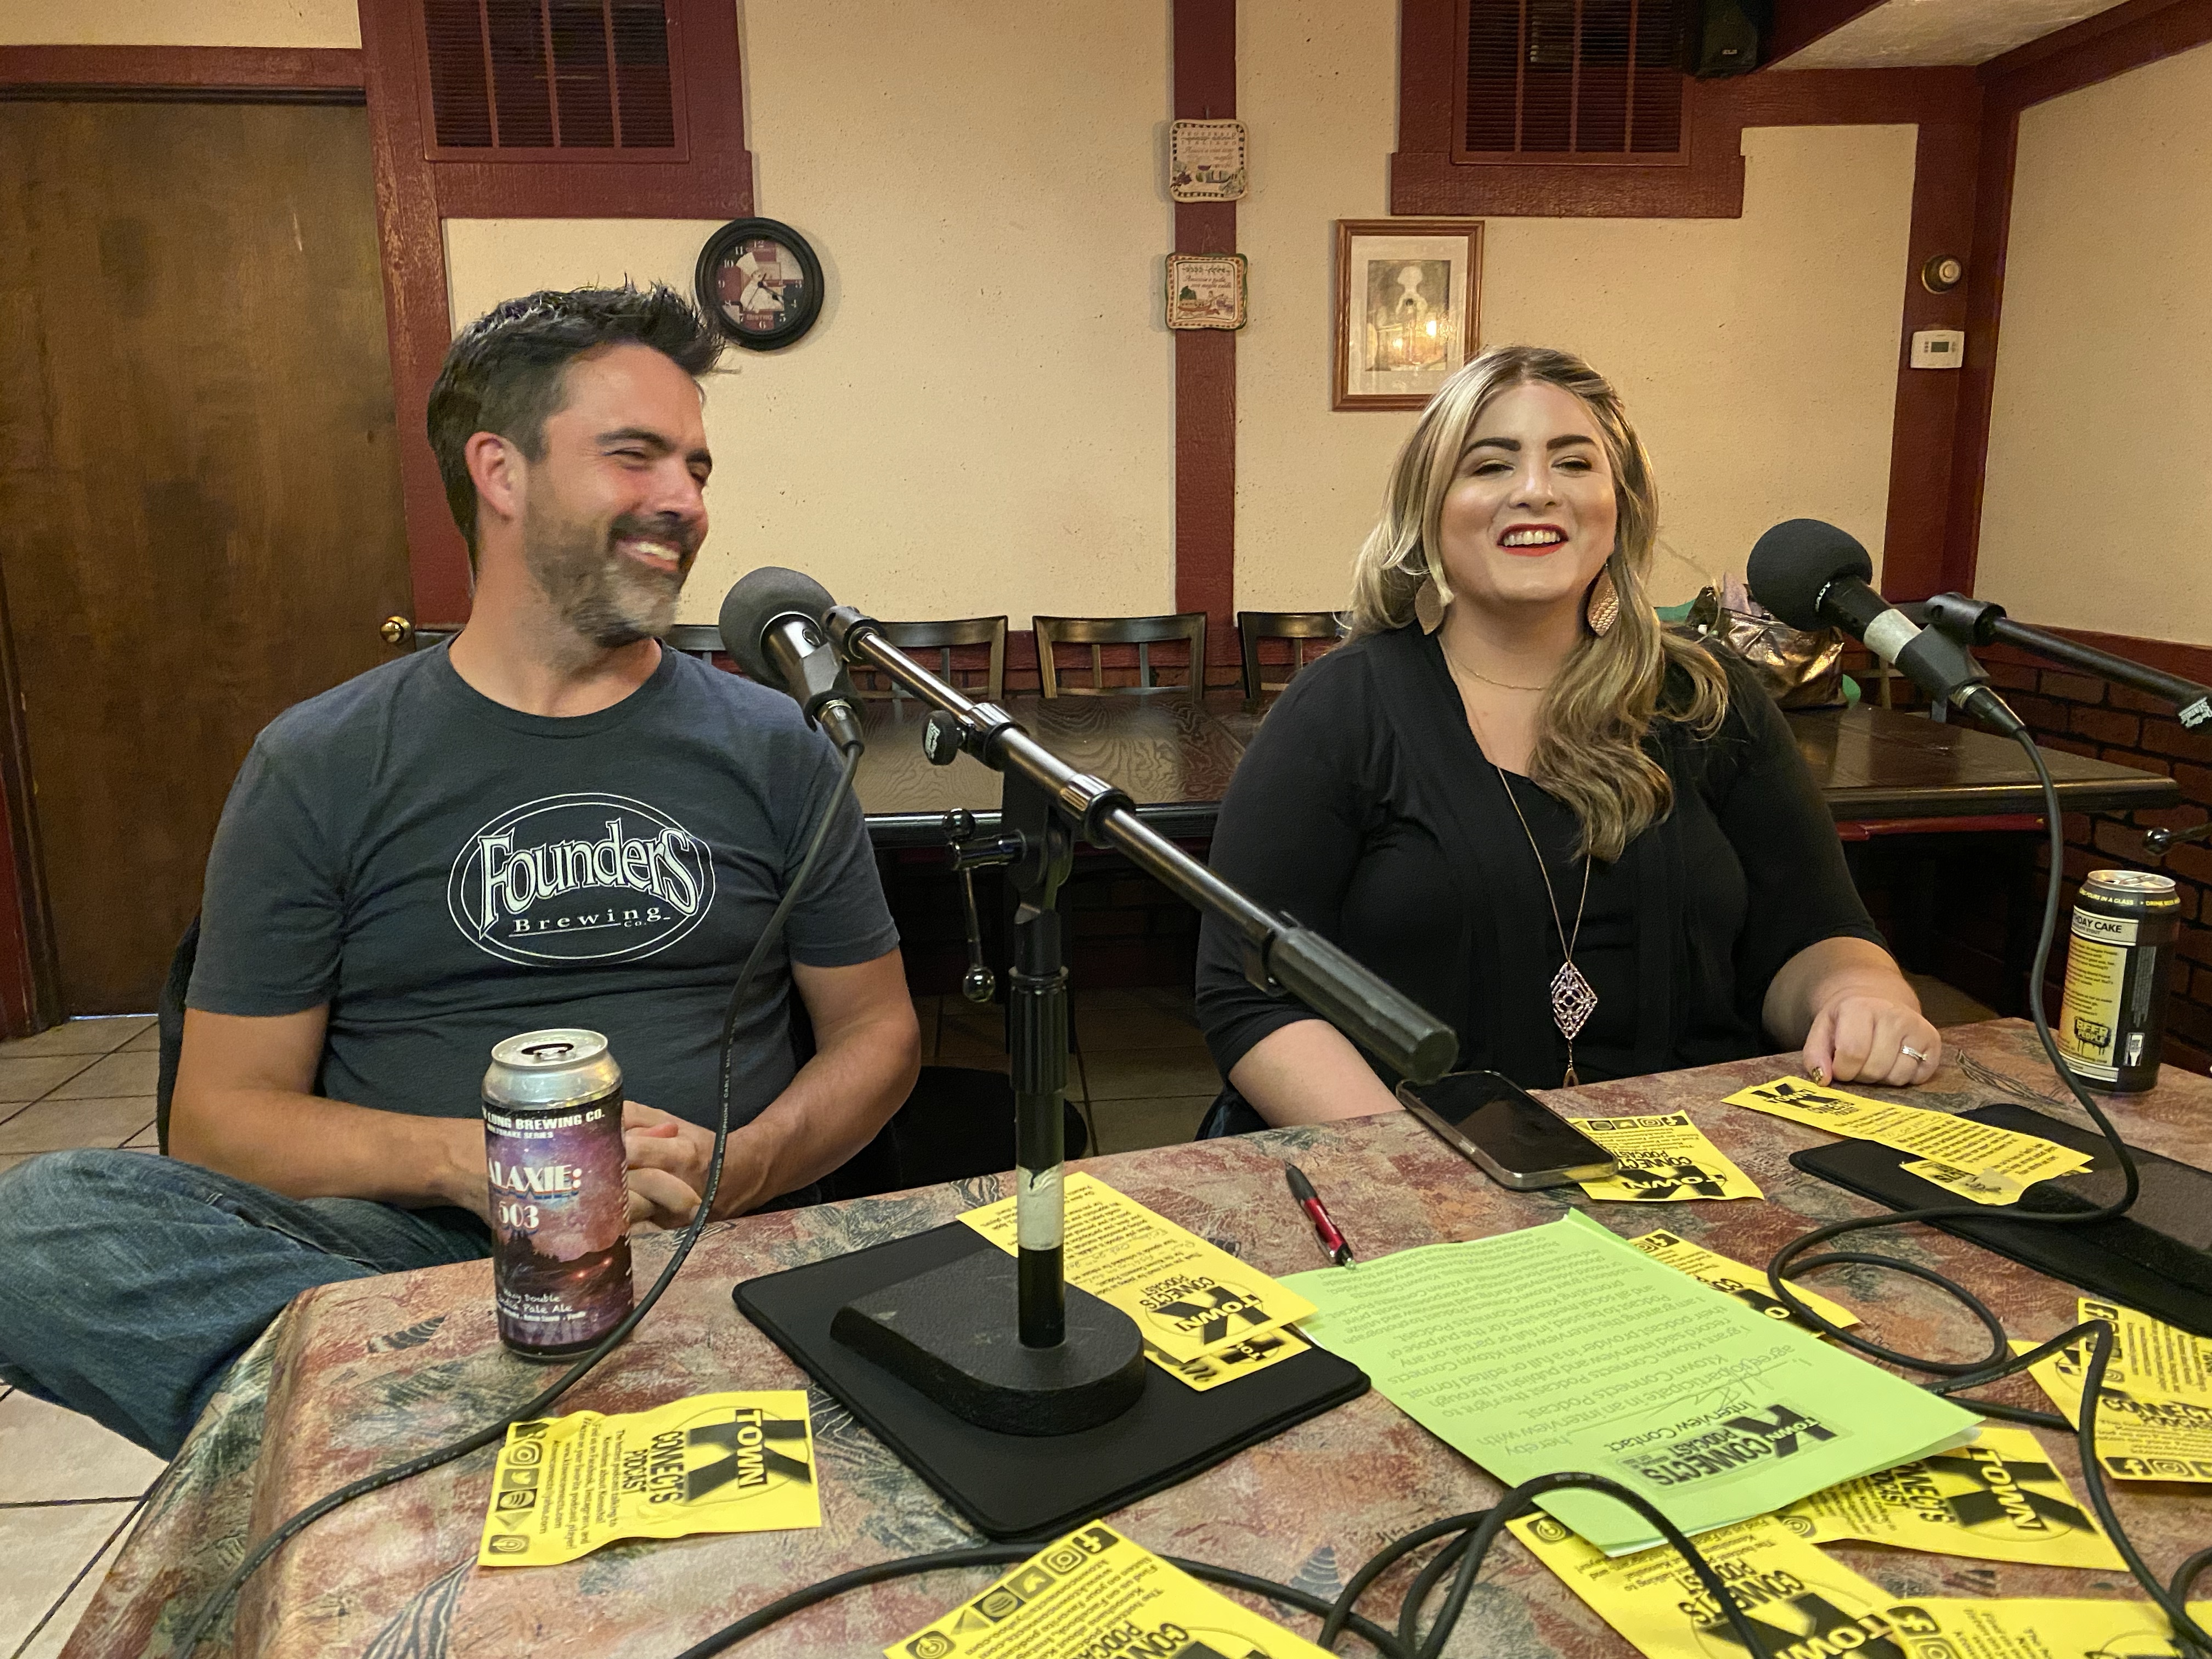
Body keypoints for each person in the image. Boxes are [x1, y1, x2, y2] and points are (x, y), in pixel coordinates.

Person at [0, 285, 921, 1456]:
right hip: (418, 1259)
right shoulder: (322, 762)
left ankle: (417, 1436)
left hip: (709, 1240)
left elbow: (877, 1032)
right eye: (635, 456)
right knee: (37, 1230)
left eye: (695, 466)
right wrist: (482, 1169)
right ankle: (513, 1417)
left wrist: (747, 1168)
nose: (686, 500)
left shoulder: (773, 745)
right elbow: (222, 1121)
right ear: (500, 472)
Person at [1195, 344, 1938, 1131]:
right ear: (1428, 510)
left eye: (1574, 463)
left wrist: (1859, 998)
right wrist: (1412, 1162)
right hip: (1427, 1158)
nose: (1537, 491)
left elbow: (1815, 936)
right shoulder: (1341, 709)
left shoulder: (1708, 699)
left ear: (1620, 504)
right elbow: (1250, 992)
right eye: (1490, 466)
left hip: (1702, 1160)